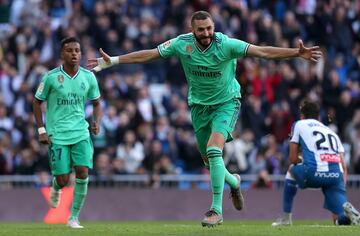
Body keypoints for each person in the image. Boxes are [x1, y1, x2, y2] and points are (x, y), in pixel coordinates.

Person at [87, 11, 322, 227]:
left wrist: (295, 53)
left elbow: (262, 51)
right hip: (199, 108)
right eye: (201, 30)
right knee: (211, 164)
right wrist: (114, 61)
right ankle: (234, 182)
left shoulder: (226, 44)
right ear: (193, 30)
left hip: (226, 104)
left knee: (213, 150)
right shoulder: (182, 44)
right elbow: (150, 55)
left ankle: (215, 211)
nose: (206, 33)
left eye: (209, 28)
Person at [33, 37, 101, 228]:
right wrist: (41, 130)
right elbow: (37, 102)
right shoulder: (51, 77)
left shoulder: (88, 77)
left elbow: (96, 103)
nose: (74, 54)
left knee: (82, 172)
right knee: (63, 179)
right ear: (62, 54)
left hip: (81, 132)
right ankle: (56, 186)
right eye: (70, 50)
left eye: (77, 50)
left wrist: (96, 122)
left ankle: (74, 217)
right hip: (58, 135)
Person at [272, 100, 360, 226]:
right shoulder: (331, 132)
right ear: (318, 117)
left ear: (302, 116)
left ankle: (286, 218)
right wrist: (341, 188)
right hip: (335, 175)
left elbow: (292, 158)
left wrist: (300, 161)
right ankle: (346, 215)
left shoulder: (299, 124)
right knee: (338, 219)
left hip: (313, 172)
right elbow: (343, 165)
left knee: (291, 169)